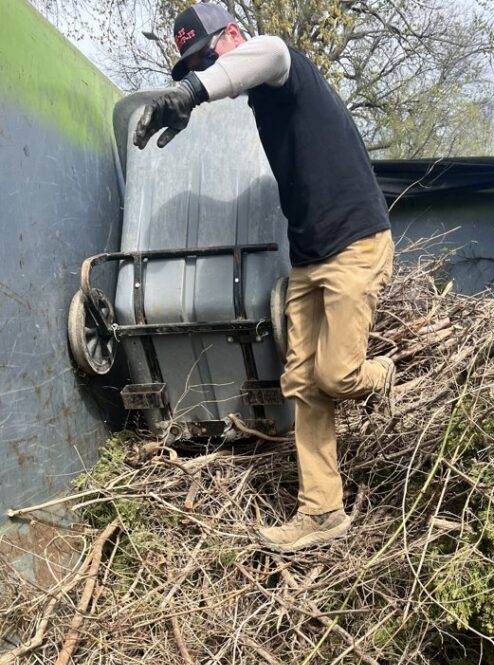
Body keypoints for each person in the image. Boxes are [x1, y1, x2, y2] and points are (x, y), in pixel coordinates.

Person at [133, 2, 395, 554]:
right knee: (300, 384)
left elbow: (269, 51)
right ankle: (322, 510)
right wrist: (195, 94)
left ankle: (384, 373)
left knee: (338, 375)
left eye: (208, 56)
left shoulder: (284, 67)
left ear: (233, 34)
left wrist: (191, 92)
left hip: (356, 244)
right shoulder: (261, 104)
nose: (204, 70)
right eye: (192, 66)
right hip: (309, 258)